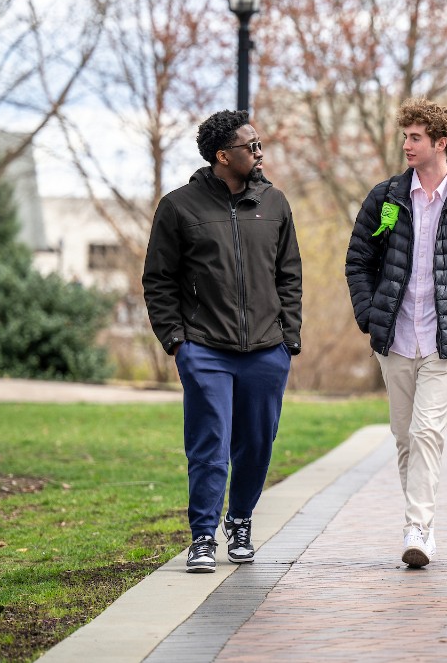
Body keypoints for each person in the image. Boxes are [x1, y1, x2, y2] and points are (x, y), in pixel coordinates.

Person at [344, 98, 447, 568]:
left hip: (445, 339)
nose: (406, 144)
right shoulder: (386, 198)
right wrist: (370, 315)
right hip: (394, 337)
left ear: (441, 142)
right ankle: (420, 522)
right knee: (404, 436)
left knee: (426, 431)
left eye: (416, 137)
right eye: (405, 136)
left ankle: (418, 528)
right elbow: (359, 261)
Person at [142, 109, 302, 573]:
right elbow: (159, 280)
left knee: (256, 444)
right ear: (222, 155)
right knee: (209, 444)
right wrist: (177, 342)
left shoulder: (274, 204)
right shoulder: (179, 207)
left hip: (267, 350)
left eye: (258, 144)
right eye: (250, 146)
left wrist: (288, 337)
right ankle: (203, 537)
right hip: (205, 348)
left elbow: (288, 274)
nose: (259, 152)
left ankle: (241, 521)